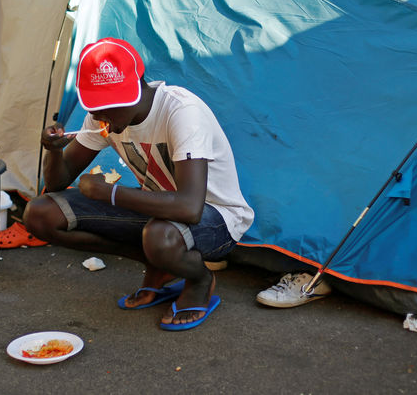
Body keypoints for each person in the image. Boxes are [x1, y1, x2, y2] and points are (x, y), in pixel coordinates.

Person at [23, 37, 254, 330]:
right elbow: (57, 183)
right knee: (40, 214)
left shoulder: (181, 112)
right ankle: (159, 264)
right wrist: (54, 150)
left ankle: (198, 278)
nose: (98, 116)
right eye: (94, 106)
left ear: (135, 90)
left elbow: (190, 207)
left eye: (108, 106)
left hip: (217, 218)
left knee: (160, 236)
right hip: (161, 214)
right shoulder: (104, 118)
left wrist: (112, 194)